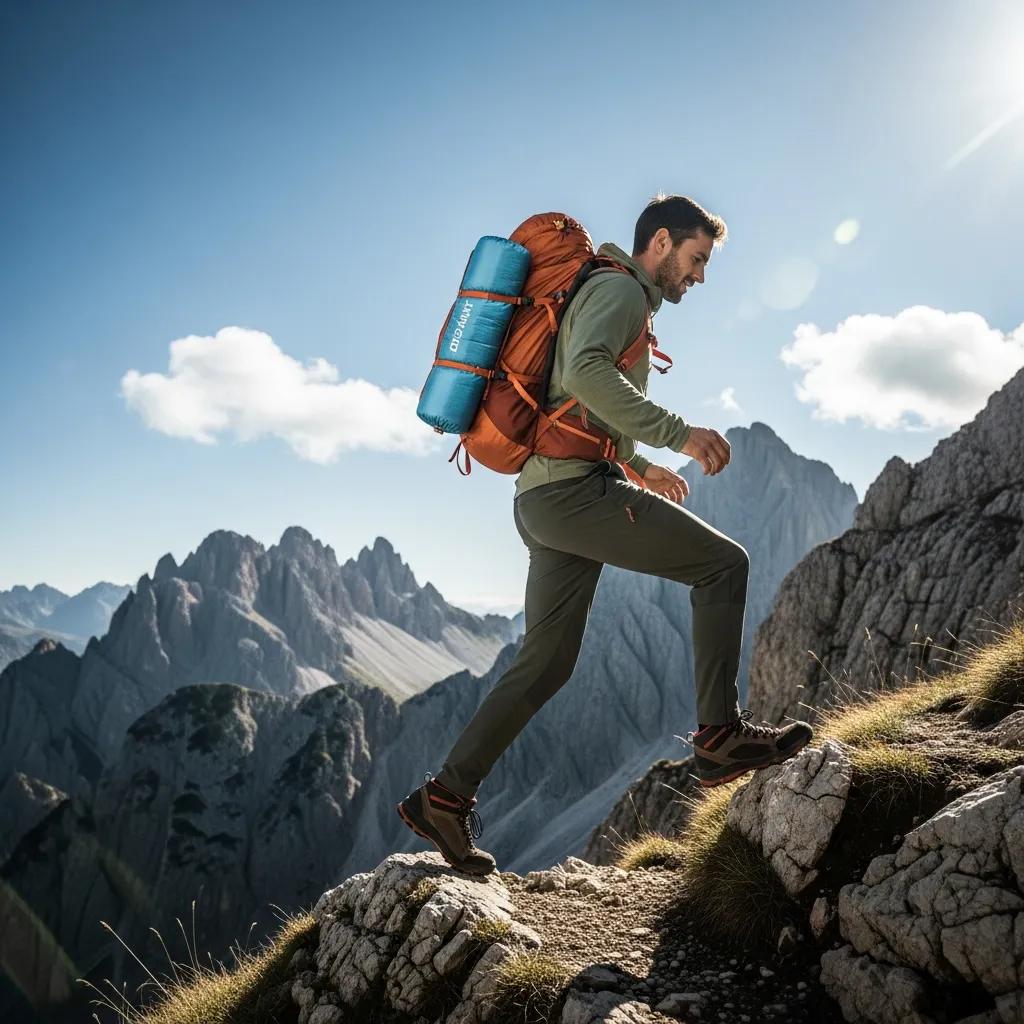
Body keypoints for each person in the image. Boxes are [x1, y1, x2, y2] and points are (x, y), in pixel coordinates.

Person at [397, 194, 814, 875]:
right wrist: (680, 435)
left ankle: (444, 797)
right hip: (572, 493)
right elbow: (588, 374)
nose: (700, 277)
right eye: (697, 259)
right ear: (660, 244)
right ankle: (719, 736)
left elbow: (575, 394)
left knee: (548, 660)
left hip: (546, 497)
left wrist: (641, 465)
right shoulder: (621, 291)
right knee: (723, 566)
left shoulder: (613, 292)